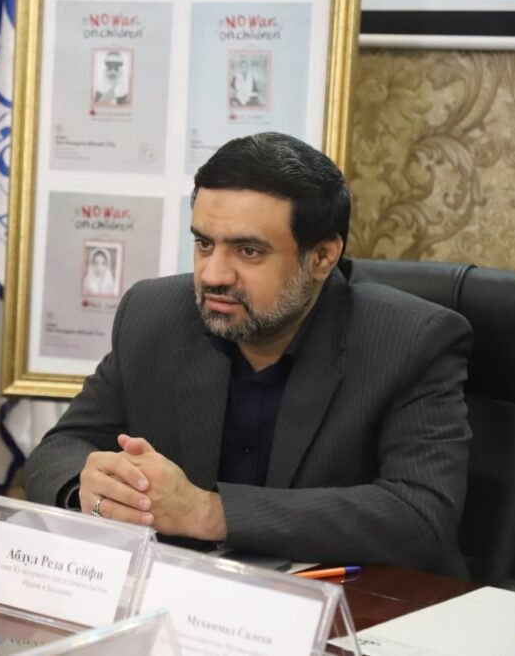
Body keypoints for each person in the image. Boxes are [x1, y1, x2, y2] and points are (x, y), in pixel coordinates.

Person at [23, 132, 472, 577]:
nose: (213, 275)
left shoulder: (410, 341)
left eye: (248, 251)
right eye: (204, 244)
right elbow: (59, 451)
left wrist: (207, 512)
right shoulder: (152, 314)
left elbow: (422, 517)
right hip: (182, 600)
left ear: (322, 257)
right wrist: (93, 492)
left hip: (351, 604)